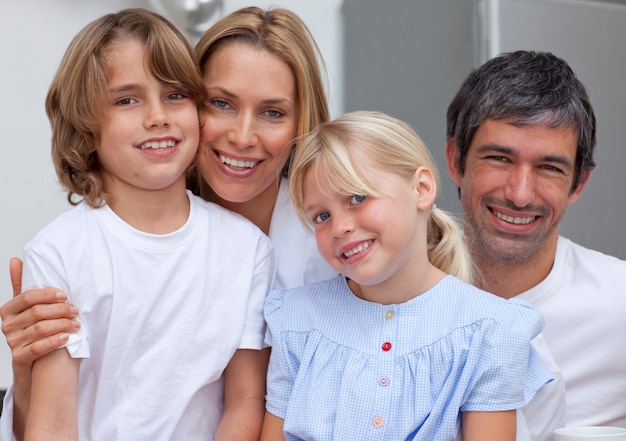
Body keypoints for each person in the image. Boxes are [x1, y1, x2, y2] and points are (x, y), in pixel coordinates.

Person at [0, 5, 336, 438]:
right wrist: (25, 369)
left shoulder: (287, 251)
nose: (243, 136)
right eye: (221, 103)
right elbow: (53, 416)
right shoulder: (65, 249)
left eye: (273, 112)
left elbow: (251, 402)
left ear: (301, 126)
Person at [259, 111, 553, 441]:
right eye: (322, 215)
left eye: (357, 197)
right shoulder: (297, 321)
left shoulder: (490, 330)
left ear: (422, 188)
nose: (339, 227)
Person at [445, 50, 626, 433]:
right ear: (456, 160)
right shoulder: (392, 296)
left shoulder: (619, 303)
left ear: (578, 183)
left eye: (549, 168)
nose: (520, 194)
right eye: (499, 158)